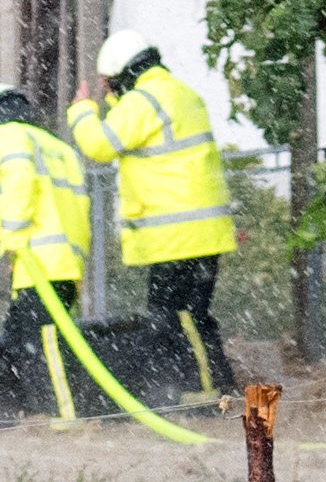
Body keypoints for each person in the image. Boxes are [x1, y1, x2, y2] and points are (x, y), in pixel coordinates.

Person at [64, 33, 239, 403]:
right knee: (193, 314)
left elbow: (99, 145)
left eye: (111, 83)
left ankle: (202, 391)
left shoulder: (144, 101)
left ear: (125, 74)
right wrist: (114, 94)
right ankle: (206, 388)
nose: (108, 91)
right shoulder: (181, 94)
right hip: (202, 232)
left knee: (172, 317)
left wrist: (82, 110)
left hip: (174, 235)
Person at [0, 83, 95, 428]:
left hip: (38, 258)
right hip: (64, 262)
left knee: (42, 342)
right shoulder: (56, 146)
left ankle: (60, 415)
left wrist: (12, 237)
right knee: (17, 336)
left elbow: (19, 182)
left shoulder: (4, 136)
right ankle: (6, 415)